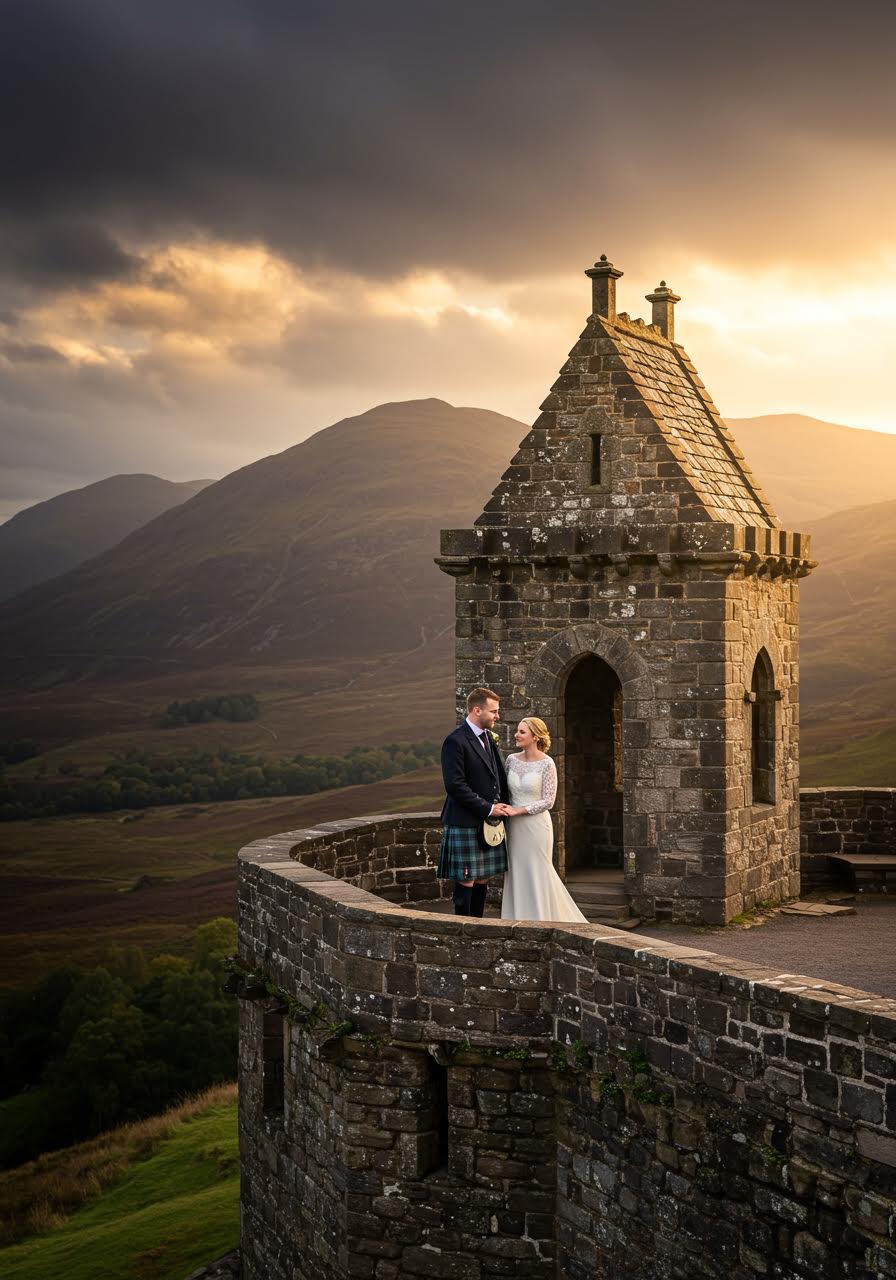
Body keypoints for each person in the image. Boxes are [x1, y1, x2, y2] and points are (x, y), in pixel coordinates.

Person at [501, 717, 587, 924]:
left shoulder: (547, 763)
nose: (516, 735)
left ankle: (543, 919)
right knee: (516, 869)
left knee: (538, 869)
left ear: (535, 736)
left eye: (522, 732)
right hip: (514, 827)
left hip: (536, 826)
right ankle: (516, 918)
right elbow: (505, 792)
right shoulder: (511, 760)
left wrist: (520, 810)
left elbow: (549, 801)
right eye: (517, 731)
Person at [437, 687, 512, 916]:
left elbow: (496, 775)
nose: (497, 716)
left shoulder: (488, 737)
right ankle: (462, 928)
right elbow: (455, 785)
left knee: (483, 878)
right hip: (466, 820)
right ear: (477, 710)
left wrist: (504, 805)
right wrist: (489, 808)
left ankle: (479, 926)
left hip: (489, 823)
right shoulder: (455, 741)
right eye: (494, 711)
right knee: (466, 879)